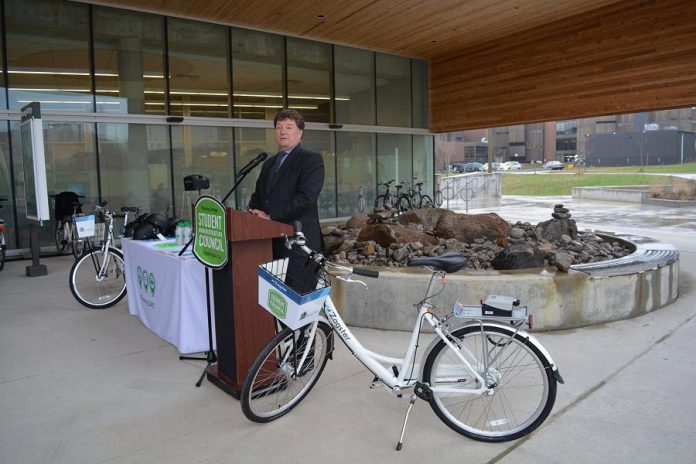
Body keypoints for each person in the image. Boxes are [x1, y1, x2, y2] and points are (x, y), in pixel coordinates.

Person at [248, 109, 325, 292]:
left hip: (299, 244)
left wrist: (270, 216)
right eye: (279, 127)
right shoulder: (269, 163)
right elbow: (259, 195)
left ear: (300, 133)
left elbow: (306, 199)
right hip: (271, 243)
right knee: (276, 302)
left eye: (289, 127)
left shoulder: (311, 159)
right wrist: (252, 213)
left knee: (297, 301)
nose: (282, 131)